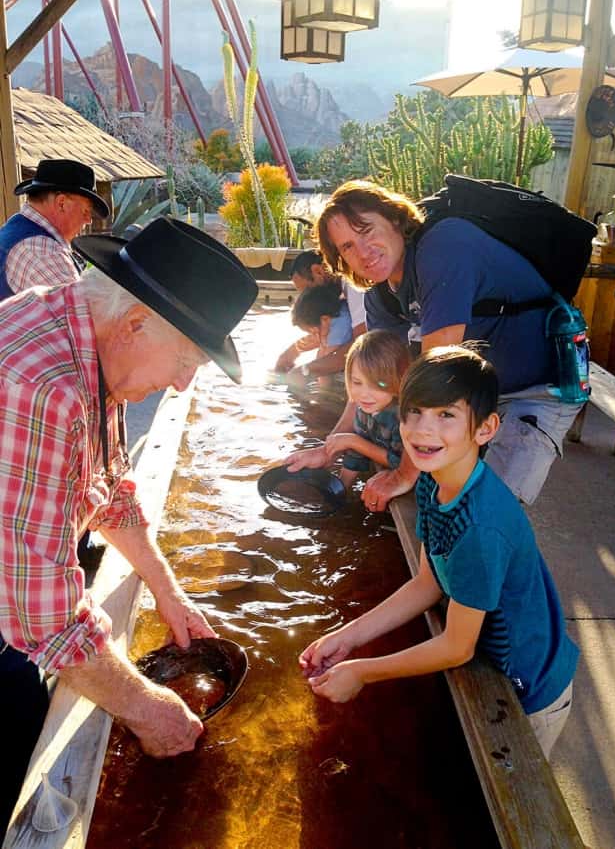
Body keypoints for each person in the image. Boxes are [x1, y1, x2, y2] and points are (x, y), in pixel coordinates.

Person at [0, 217, 258, 836]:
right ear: (138, 322)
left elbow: (110, 491)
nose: (180, 383)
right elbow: (43, 620)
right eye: (188, 360)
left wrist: (167, 591)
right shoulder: (43, 387)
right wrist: (147, 707)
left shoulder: (86, 343)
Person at [299, 345, 579, 760]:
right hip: (489, 654)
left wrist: (362, 672)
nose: (422, 430)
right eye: (413, 412)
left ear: (485, 429)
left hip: (529, 689)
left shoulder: (481, 528)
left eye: (446, 415)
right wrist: (347, 639)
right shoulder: (433, 481)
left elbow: (456, 647)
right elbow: (428, 582)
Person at [289, 180, 583, 511]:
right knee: (443, 507)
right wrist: (330, 446)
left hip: (535, 390)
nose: (363, 251)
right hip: (472, 397)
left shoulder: (444, 247)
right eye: (347, 247)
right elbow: (373, 380)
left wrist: (403, 473)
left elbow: (436, 378)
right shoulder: (380, 295)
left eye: (367, 230)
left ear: (395, 218)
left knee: (485, 514)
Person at [290, 330, 410, 491]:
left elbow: (402, 463)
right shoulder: (363, 409)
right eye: (357, 382)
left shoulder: (404, 418)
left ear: (400, 378)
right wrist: (341, 488)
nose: (364, 394)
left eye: (378, 385)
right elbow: (356, 454)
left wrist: (353, 441)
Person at [0, 158, 110, 298]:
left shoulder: (17, 228)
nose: (88, 220)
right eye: (86, 211)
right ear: (62, 203)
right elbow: (79, 314)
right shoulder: (43, 252)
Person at [274, 249, 366, 385]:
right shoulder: (340, 295)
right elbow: (330, 333)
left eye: (307, 290)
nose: (306, 299)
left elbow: (362, 344)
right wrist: (293, 351)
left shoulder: (353, 285)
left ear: (318, 271)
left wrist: (306, 371)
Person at [290, 280, 353, 387]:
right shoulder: (337, 311)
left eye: (313, 331)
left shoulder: (340, 324)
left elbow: (325, 367)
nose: (314, 336)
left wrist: (323, 394)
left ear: (325, 320)